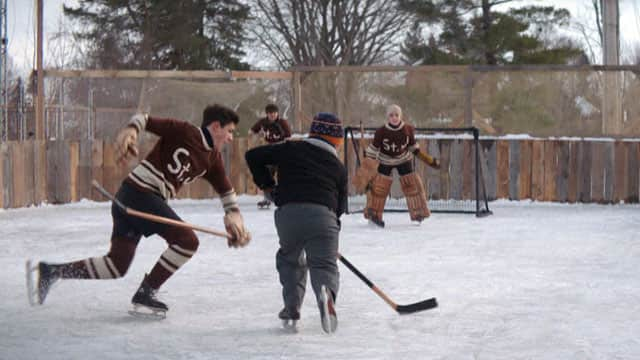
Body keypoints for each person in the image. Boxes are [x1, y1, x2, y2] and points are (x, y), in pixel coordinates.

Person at [29, 104, 251, 316]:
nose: (231, 138)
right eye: (229, 131)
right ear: (215, 127)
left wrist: (235, 217)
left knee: (116, 265)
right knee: (187, 241)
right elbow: (144, 119)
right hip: (141, 194)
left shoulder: (213, 159)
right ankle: (146, 293)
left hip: (129, 197)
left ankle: (51, 271)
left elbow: (226, 191)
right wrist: (131, 131)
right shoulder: (185, 131)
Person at [245, 112, 347, 333]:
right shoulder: (338, 166)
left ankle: (292, 307)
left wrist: (268, 186)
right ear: (336, 141)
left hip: (289, 214)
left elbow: (252, 156)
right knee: (324, 264)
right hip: (324, 217)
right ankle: (326, 294)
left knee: (291, 260)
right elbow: (340, 206)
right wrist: (332, 230)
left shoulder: (291, 148)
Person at [352, 104, 439, 227]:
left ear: (400, 116)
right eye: (391, 115)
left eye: (396, 115)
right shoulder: (381, 132)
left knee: (412, 184)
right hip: (385, 160)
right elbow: (373, 150)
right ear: (388, 117)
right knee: (378, 188)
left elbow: (414, 149)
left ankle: (418, 212)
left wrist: (428, 160)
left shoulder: (408, 129)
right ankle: (374, 214)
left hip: (403, 159)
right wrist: (366, 166)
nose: (394, 117)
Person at [248, 104, 292, 209]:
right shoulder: (263, 122)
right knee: (267, 173)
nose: (272, 115)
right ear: (267, 114)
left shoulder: (282, 122)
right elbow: (252, 131)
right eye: (270, 113)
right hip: (269, 149)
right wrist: (254, 135)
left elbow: (289, 136)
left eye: (274, 113)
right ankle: (267, 198)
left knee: (283, 173)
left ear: (277, 113)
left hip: (281, 148)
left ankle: (285, 196)